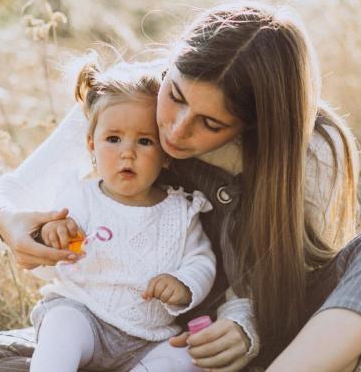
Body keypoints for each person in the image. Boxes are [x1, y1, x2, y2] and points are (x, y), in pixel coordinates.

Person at [0, 1, 361, 371]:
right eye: (175, 97)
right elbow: (7, 195)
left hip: (264, 348)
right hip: (145, 342)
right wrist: (10, 225)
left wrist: (247, 327)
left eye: (210, 125)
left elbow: (284, 280)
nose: (175, 131)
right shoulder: (127, 101)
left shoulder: (311, 149)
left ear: (254, 124)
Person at [26, 59, 217, 372]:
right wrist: (52, 234)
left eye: (144, 141)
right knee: (60, 325)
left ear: (166, 155)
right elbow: (45, 259)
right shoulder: (78, 197)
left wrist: (183, 284)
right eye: (113, 139)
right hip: (84, 314)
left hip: (148, 338)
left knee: (185, 358)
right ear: (92, 145)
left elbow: (202, 261)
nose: (127, 153)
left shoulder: (180, 211)